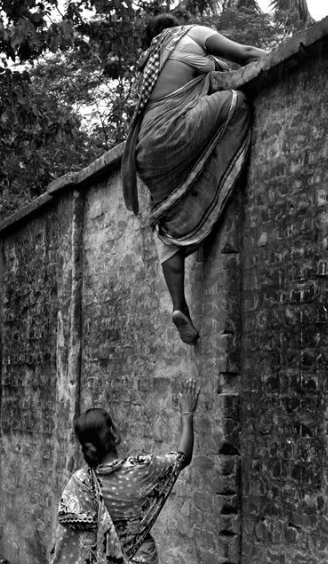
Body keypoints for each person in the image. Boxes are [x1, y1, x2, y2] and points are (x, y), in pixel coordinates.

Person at [122, 14, 268, 345]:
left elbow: (207, 72)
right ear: (174, 26)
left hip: (145, 153)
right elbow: (244, 54)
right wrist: (274, 55)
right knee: (238, 102)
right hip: (176, 133)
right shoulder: (191, 34)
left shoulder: (150, 62)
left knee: (164, 221)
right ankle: (218, 185)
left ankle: (180, 308)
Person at [49, 379, 201, 564]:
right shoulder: (140, 469)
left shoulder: (78, 483)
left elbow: (66, 547)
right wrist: (187, 414)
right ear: (113, 433)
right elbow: (182, 457)